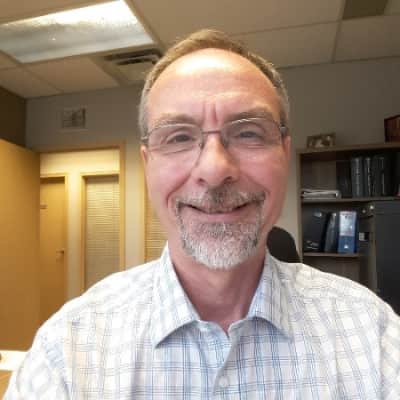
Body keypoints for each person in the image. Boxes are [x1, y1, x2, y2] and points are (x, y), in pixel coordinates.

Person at [5, 29, 400, 399]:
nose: (214, 170)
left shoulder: (373, 336)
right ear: (147, 164)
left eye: (248, 132)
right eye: (178, 136)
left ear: (284, 152)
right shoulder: (66, 354)